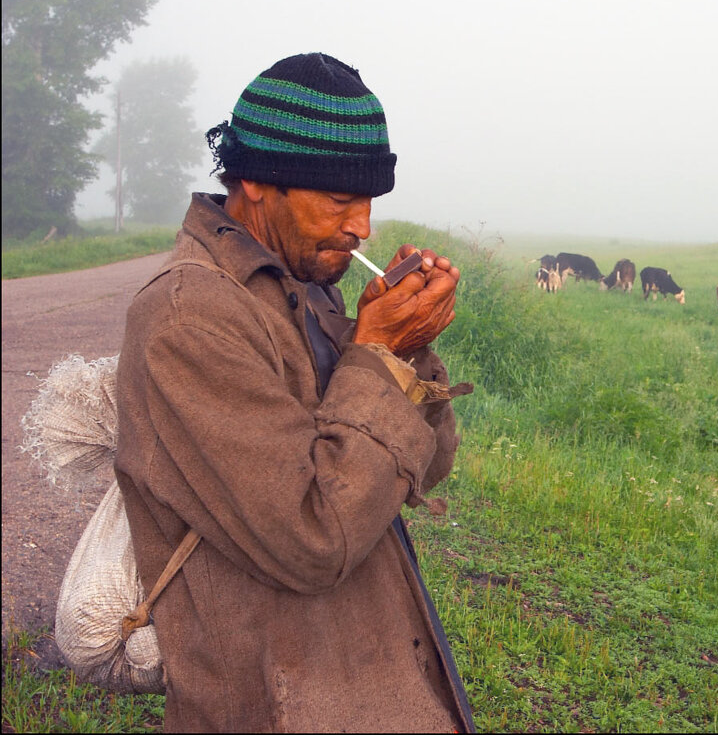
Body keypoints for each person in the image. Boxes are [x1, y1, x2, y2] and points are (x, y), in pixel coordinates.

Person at [113, 52, 475, 732]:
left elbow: (424, 467)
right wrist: (377, 352)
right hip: (278, 703)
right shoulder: (190, 316)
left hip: (368, 682)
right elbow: (317, 534)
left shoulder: (305, 288)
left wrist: (408, 346)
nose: (362, 226)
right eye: (339, 199)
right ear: (255, 180)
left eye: (370, 201)